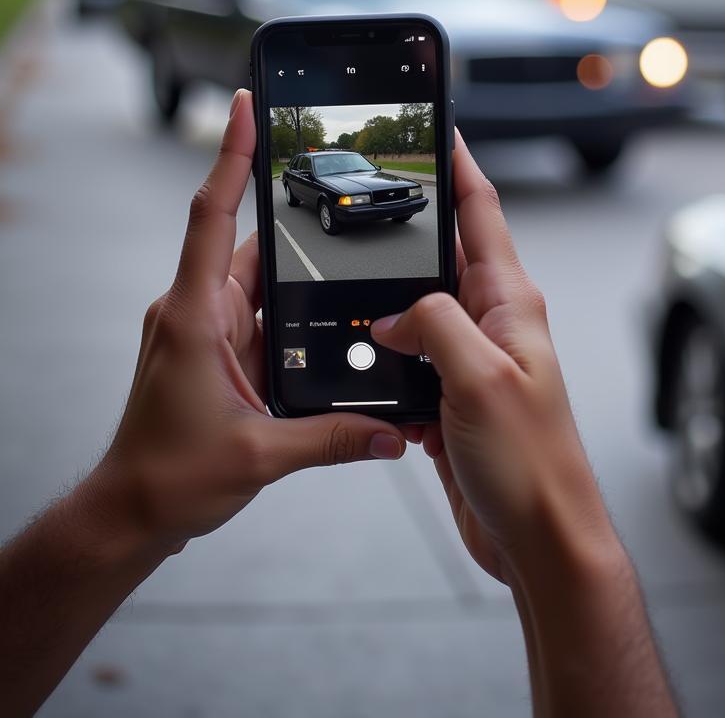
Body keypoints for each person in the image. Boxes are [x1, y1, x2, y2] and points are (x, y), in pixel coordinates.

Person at [0, 90, 679, 718]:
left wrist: (126, 512)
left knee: (389, 204)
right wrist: (558, 545)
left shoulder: (375, 172)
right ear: (305, 181)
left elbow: (393, 194)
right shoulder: (313, 176)